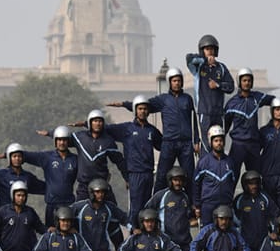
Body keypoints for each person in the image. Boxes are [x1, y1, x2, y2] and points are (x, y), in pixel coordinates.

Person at [135, 67, 199, 199]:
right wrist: (129, 105)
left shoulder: (187, 99)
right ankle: (155, 204)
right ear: (170, 82)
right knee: (162, 175)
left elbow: (194, 120)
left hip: (186, 143)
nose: (177, 83)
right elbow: (144, 106)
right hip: (169, 142)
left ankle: (192, 205)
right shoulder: (163, 99)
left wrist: (196, 141)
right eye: (174, 80)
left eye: (179, 80)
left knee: (189, 175)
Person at [102, 95, 163, 229]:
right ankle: (133, 232)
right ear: (135, 110)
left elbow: (163, 146)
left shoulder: (152, 131)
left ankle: (145, 236)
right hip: (135, 173)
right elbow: (104, 128)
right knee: (136, 206)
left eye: (145, 109)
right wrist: (86, 123)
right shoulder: (126, 129)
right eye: (140, 108)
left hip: (148, 173)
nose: (143, 111)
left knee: (147, 207)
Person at [223, 68, 280, 180]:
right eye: (244, 80)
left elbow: (272, 100)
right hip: (238, 144)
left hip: (253, 145)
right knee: (232, 177)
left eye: (249, 80)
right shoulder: (232, 103)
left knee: (256, 177)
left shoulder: (257, 98)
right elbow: (226, 126)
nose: (247, 83)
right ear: (239, 82)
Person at [185, 34, 234, 155]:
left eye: (212, 49)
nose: (210, 51)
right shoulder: (198, 67)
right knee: (205, 146)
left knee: (218, 144)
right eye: (207, 49)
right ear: (202, 51)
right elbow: (188, 58)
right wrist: (204, 59)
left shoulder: (221, 68)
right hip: (203, 113)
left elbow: (231, 86)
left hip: (218, 113)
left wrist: (218, 85)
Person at [67, 109, 129, 203]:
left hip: (102, 184)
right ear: (90, 123)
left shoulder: (108, 141)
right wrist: (50, 133)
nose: (98, 124)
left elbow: (119, 161)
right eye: (95, 121)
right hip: (84, 185)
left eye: (100, 121)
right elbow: (63, 139)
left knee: (112, 209)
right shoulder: (80, 137)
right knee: (78, 211)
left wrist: (127, 178)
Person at [27, 125, 79, 227]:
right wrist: (9, 154)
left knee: (70, 236)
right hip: (52, 205)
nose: (62, 143)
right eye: (59, 140)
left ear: (68, 141)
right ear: (55, 141)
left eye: (64, 140)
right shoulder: (47, 157)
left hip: (69, 204)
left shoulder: (75, 159)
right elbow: (26, 156)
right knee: (51, 235)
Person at [193, 125, 236, 226]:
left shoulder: (230, 162)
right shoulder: (203, 162)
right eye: (216, 141)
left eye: (221, 140)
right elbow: (195, 184)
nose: (219, 143)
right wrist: (197, 206)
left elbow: (232, 182)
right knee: (207, 233)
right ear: (211, 142)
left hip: (225, 204)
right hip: (208, 205)